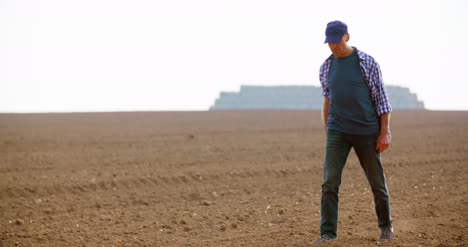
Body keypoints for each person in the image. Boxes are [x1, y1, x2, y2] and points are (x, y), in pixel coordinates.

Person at [314, 20, 394, 245]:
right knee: (329, 182)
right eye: (329, 42)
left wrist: (384, 132)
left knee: (376, 182)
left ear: (346, 37)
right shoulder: (326, 67)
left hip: (366, 131)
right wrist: (328, 129)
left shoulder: (367, 62)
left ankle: (386, 228)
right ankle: (327, 234)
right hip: (338, 131)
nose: (332, 46)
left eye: (336, 41)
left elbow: (381, 99)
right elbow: (327, 100)